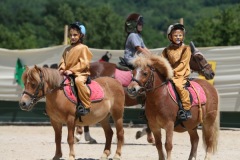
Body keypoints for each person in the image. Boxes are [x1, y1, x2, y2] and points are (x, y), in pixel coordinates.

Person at [58, 21, 93, 116]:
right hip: (67, 73)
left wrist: (72, 70)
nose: (72, 37)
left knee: (78, 81)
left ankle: (86, 105)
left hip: (80, 74)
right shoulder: (67, 49)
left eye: (75, 35)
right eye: (71, 35)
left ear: (81, 35)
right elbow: (63, 61)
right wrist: (62, 68)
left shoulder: (83, 48)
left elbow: (84, 63)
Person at [161, 23, 192, 120]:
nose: (178, 37)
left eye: (180, 35)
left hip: (180, 74)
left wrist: (172, 71)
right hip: (168, 74)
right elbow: (162, 61)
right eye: (175, 35)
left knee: (179, 86)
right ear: (170, 37)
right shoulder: (166, 50)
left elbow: (183, 64)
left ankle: (186, 110)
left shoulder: (186, 49)